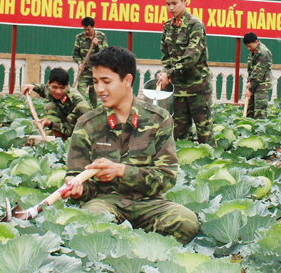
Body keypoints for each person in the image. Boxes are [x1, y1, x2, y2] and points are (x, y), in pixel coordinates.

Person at [63, 46, 200, 244]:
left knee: (187, 222)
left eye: (106, 81)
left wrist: (121, 171)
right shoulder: (87, 124)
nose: (99, 89)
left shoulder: (158, 119)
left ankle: (150, 257)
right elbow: (78, 177)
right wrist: (78, 187)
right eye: (95, 81)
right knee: (88, 221)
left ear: (127, 80)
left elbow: (166, 177)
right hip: (105, 203)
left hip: (149, 204)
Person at [155, 0, 213, 144]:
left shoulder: (195, 25)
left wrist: (170, 73)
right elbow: (165, 55)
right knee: (179, 133)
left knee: (204, 132)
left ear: (185, 1)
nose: (171, 8)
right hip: (179, 89)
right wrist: (165, 71)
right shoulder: (168, 27)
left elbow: (191, 57)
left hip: (198, 89)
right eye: (168, 4)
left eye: (175, 3)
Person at [22, 68, 91, 139]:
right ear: (49, 84)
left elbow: (69, 129)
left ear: (67, 85)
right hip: (62, 124)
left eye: (62, 88)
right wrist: (33, 86)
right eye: (54, 87)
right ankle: (58, 139)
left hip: (76, 129)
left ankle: (65, 141)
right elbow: (43, 88)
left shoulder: (76, 101)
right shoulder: (50, 89)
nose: (58, 91)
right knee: (49, 106)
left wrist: (49, 124)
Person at [72, 16, 108, 107]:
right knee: (79, 95)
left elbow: (105, 53)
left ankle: (94, 114)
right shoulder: (79, 38)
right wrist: (80, 63)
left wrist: (97, 45)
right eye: (85, 29)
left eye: (88, 29)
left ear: (93, 26)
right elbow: (75, 54)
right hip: (84, 72)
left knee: (94, 97)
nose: (87, 32)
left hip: (96, 73)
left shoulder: (101, 36)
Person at [242, 32, 272, 119]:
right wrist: (249, 82)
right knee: (250, 110)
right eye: (247, 46)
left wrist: (250, 89)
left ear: (256, 42)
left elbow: (259, 73)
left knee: (260, 111)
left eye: (250, 46)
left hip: (262, 85)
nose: (248, 48)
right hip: (254, 83)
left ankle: (259, 131)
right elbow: (252, 70)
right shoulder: (253, 52)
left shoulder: (263, 53)